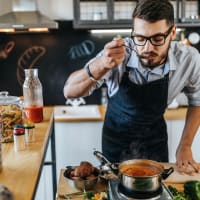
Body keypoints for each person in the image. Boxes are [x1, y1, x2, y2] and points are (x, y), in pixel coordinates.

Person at [63, 0, 200, 175]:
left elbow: (197, 101)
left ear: (172, 32)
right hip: (115, 143)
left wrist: (185, 145)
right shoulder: (119, 53)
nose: (147, 48)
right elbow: (69, 91)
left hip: (155, 143)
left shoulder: (189, 59)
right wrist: (102, 65)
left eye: (157, 39)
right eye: (140, 38)